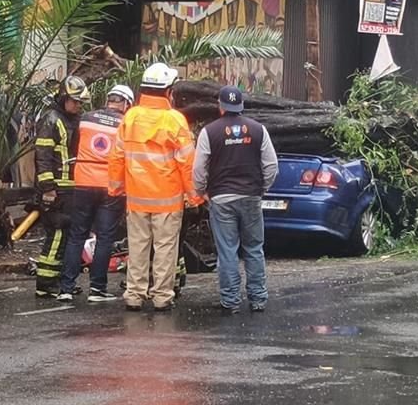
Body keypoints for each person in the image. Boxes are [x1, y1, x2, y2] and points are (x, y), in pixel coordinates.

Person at [108, 63, 202, 312]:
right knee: (165, 249)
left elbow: (117, 155)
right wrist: (194, 196)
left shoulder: (131, 117)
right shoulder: (175, 120)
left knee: (138, 247)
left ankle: (134, 295)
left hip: (137, 198)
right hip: (167, 200)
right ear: (168, 91)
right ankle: (161, 297)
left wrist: (116, 187)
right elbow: (186, 162)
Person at [193, 85, 278, 314]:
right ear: (241, 106)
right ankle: (258, 299)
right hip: (251, 197)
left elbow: (199, 169)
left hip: (221, 199)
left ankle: (230, 301)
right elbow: (271, 165)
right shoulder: (258, 129)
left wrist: (202, 192)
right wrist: (262, 188)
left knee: (228, 251)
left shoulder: (208, 132)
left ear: (220, 107)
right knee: (254, 249)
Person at [58, 84, 134, 303]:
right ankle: (97, 289)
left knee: (76, 235)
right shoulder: (126, 123)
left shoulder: (86, 118)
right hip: (111, 186)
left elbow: (75, 146)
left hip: (83, 182)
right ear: (126, 104)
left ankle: (66, 287)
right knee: (105, 237)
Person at [33, 76, 89, 298]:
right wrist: (48, 188)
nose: (78, 106)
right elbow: (43, 156)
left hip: (72, 187)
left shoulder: (75, 119)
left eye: (80, 102)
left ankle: (60, 280)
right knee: (56, 234)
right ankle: (46, 282)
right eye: (74, 101)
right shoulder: (51, 120)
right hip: (55, 188)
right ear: (64, 98)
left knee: (68, 235)